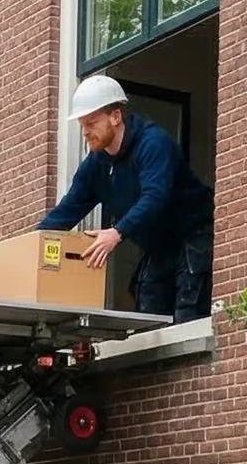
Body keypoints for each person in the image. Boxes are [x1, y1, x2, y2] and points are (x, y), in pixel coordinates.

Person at [39, 74, 215, 324]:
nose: (86, 132)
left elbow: (155, 197)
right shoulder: (96, 164)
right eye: (82, 125)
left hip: (193, 235)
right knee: (148, 314)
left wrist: (116, 232)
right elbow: (67, 210)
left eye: (91, 123)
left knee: (189, 315)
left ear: (115, 117)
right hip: (158, 245)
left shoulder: (153, 144)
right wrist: (30, 246)